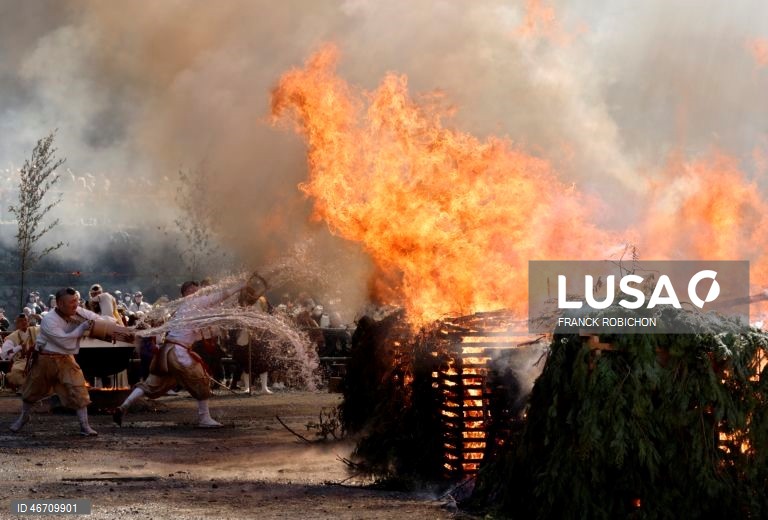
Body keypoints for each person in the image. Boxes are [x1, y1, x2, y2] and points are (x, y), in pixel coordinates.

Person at [113, 276, 258, 428]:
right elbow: (220, 296)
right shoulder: (194, 302)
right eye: (194, 290)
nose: (198, 292)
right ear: (187, 292)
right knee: (201, 378)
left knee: (151, 383)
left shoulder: (184, 308)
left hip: (166, 352)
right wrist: (240, 286)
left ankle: (124, 406)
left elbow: (204, 330)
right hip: (178, 351)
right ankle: (204, 418)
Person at [9, 287, 123, 436]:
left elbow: (95, 318)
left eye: (76, 300)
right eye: (71, 302)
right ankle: (23, 418)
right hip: (45, 359)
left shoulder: (78, 311)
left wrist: (110, 325)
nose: (75, 305)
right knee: (31, 391)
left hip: (65, 359)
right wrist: (82, 328)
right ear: (60, 304)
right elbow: (64, 341)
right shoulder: (49, 320)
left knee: (78, 389)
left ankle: (85, 426)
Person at [1, 314, 39, 389]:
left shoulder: (36, 330)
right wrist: (19, 347)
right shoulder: (12, 337)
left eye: (25, 320)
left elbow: (48, 331)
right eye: (20, 321)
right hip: (21, 362)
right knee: (14, 375)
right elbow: (4, 355)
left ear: (28, 321)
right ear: (17, 324)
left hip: (37, 360)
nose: (23, 322)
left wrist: (39, 317)